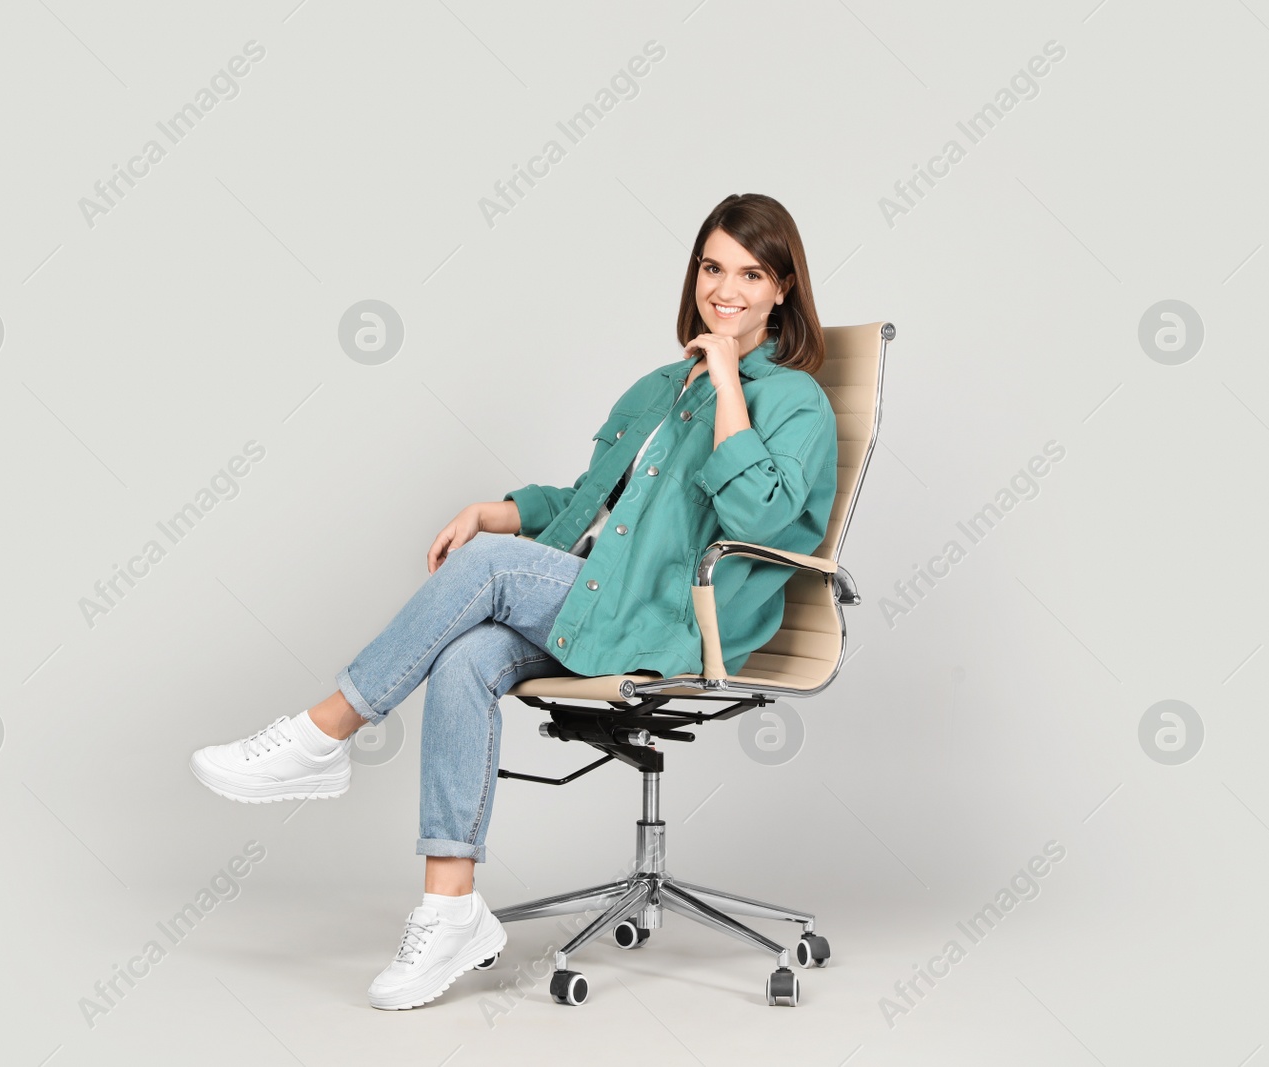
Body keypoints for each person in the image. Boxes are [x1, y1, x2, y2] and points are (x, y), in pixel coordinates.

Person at [188, 192, 839, 1010]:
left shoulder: (795, 401)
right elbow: (587, 495)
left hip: (680, 620)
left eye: (750, 273)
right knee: (466, 654)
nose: (726, 288)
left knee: (493, 571)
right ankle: (450, 907)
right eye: (712, 267)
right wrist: (499, 511)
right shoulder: (660, 389)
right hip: (610, 600)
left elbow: (763, 518)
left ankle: (325, 732)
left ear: (782, 289)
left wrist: (725, 376)